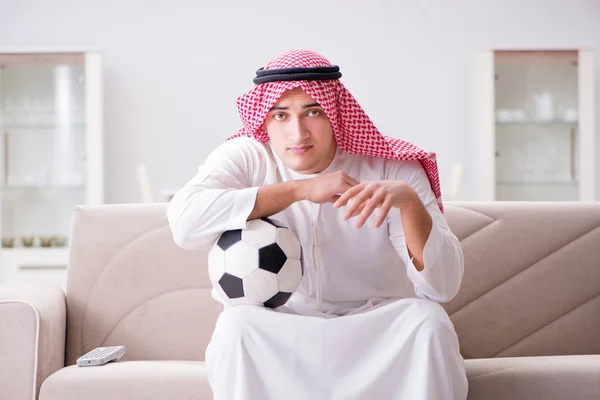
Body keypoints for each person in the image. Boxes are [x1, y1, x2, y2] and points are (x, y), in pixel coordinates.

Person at [167, 49, 468, 400]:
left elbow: (442, 289)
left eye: (313, 112)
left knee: (427, 322)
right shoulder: (247, 156)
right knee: (237, 326)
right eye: (281, 115)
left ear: (336, 113)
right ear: (264, 119)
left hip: (373, 327)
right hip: (282, 329)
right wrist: (300, 190)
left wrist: (410, 204)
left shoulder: (391, 168)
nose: (298, 133)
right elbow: (185, 224)